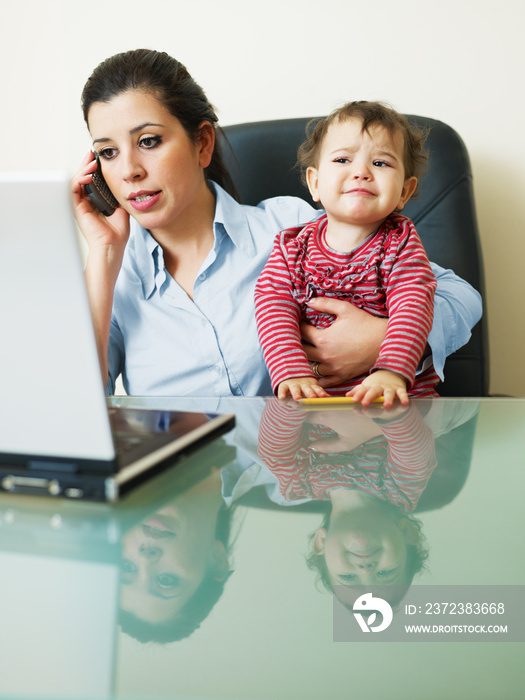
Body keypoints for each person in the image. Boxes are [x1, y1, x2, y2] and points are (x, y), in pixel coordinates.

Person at [71, 49, 482, 398]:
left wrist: (384, 342)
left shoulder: (295, 229)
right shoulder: (113, 277)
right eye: (107, 152)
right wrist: (104, 255)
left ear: (202, 144)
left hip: (306, 476)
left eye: (149, 142)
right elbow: (74, 405)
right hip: (179, 485)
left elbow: (459, 297)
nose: (128, 171)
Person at [255, 101, 438, 407]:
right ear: (315, 183)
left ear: (405, 192)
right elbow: (272, 306)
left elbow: (414, 304)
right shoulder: (291, 247)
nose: (361, 172)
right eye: (342, 159)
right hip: (315, 403)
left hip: (393, 403)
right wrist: (291, 370)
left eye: (380, 163)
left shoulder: (400, 241)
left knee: (412, 452)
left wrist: (391, 371)